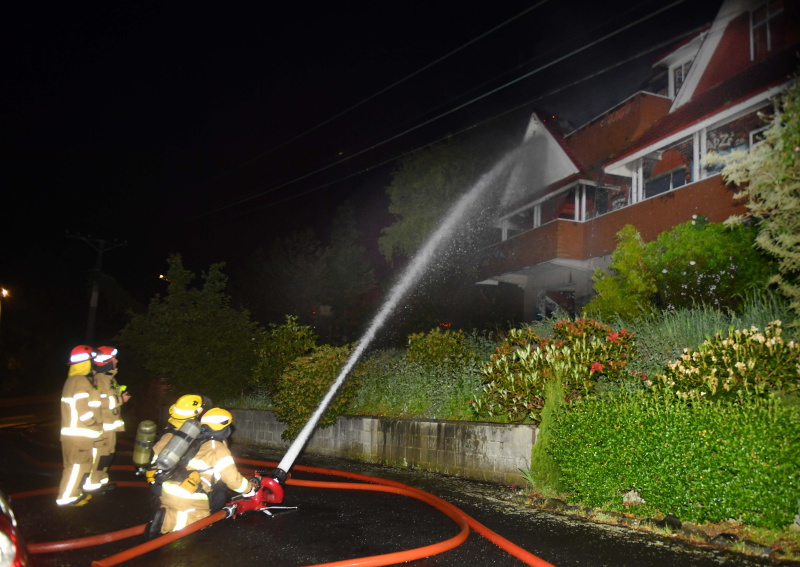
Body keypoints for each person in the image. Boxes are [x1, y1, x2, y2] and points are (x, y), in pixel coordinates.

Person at [146, 408, 255, 537]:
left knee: (181, 506)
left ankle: (165, 512)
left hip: (167, 490)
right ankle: (167, 520)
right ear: (224, 428)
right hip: (189, 495)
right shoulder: (217, 448)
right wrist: (249, 489)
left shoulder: (191, 440)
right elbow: (233, 480)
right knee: (204, 521)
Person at [56, 345, 103, 506]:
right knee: (77, 467)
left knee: (74, 466)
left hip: (73, 435)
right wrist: (94, 424)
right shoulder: (81, 381)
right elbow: (82, 409)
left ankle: (74, 493)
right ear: (86, 363)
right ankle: (67, 497)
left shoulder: (71, 380)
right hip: (80, 435)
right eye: (92, 361)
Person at [85, 346, 130, 493]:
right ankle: (92, 485)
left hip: (110, 427)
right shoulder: (100, 379)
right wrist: (120, 399)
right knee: (99, 457)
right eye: (113, 359)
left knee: (107, 456)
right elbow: (99, 403)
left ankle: (101, 481)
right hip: (103, 426)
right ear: (107, 362)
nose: (117, 361)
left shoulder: (108, 379)